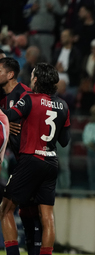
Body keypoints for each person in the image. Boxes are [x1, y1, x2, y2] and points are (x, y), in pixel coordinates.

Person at [0, 63, 71, 255]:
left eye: (32, 75)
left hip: (31, 160)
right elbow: (64, 141)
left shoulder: (29, 98)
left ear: (36, 79)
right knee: (47, 217)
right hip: (51, 163)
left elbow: (7, 116)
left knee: (5, 210)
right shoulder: (64, 105)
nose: (30, 78)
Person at [0, 57, 42, 255]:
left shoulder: (25, 94)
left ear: (10, 75)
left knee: (11, 209)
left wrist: (22, 123)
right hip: (19, 161)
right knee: (27, 211)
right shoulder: (3, 97)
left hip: (31, 159)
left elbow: (40, 118)